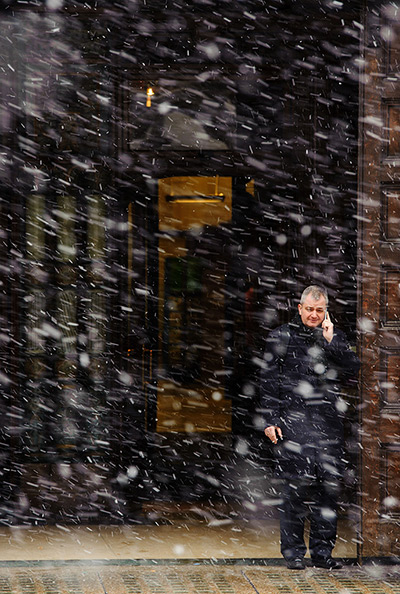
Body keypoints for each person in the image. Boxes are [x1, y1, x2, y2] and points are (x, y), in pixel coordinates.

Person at [260, 285, 360, 570]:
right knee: (294, 493)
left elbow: (354, 369)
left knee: (327, 493)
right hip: (292, 427)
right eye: (310, 309)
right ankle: (293, 554)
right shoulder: (281, 336)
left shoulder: (333, 336)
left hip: (328, 427)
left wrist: (332, 342)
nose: (314, 315)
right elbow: (268, 382)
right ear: (300, 307)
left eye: (319, 310)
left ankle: (322, 554)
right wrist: (270, 419)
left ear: (325, 310)